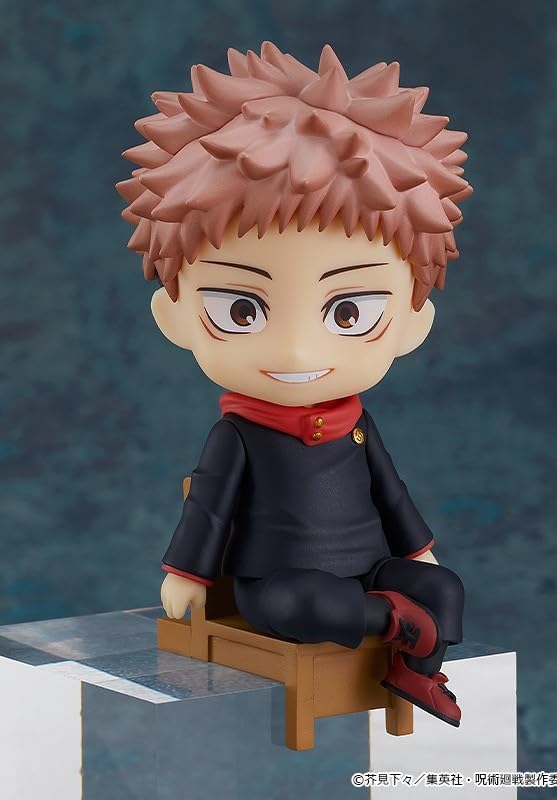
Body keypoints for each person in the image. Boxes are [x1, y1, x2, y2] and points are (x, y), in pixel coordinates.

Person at [117, 41, 472, 727]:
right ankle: (397, 625)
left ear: (411, 323)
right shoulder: (239, 434)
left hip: (370, 566)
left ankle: (417, 671)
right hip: (280, 579)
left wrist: (419, 550)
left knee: (445, 588)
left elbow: (390, 491)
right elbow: (209, 510)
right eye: (241, 310)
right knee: (302, 608)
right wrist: (187, 574)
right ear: (175, 316)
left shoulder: (357, 425)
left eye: (349, 313)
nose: (298, 350)